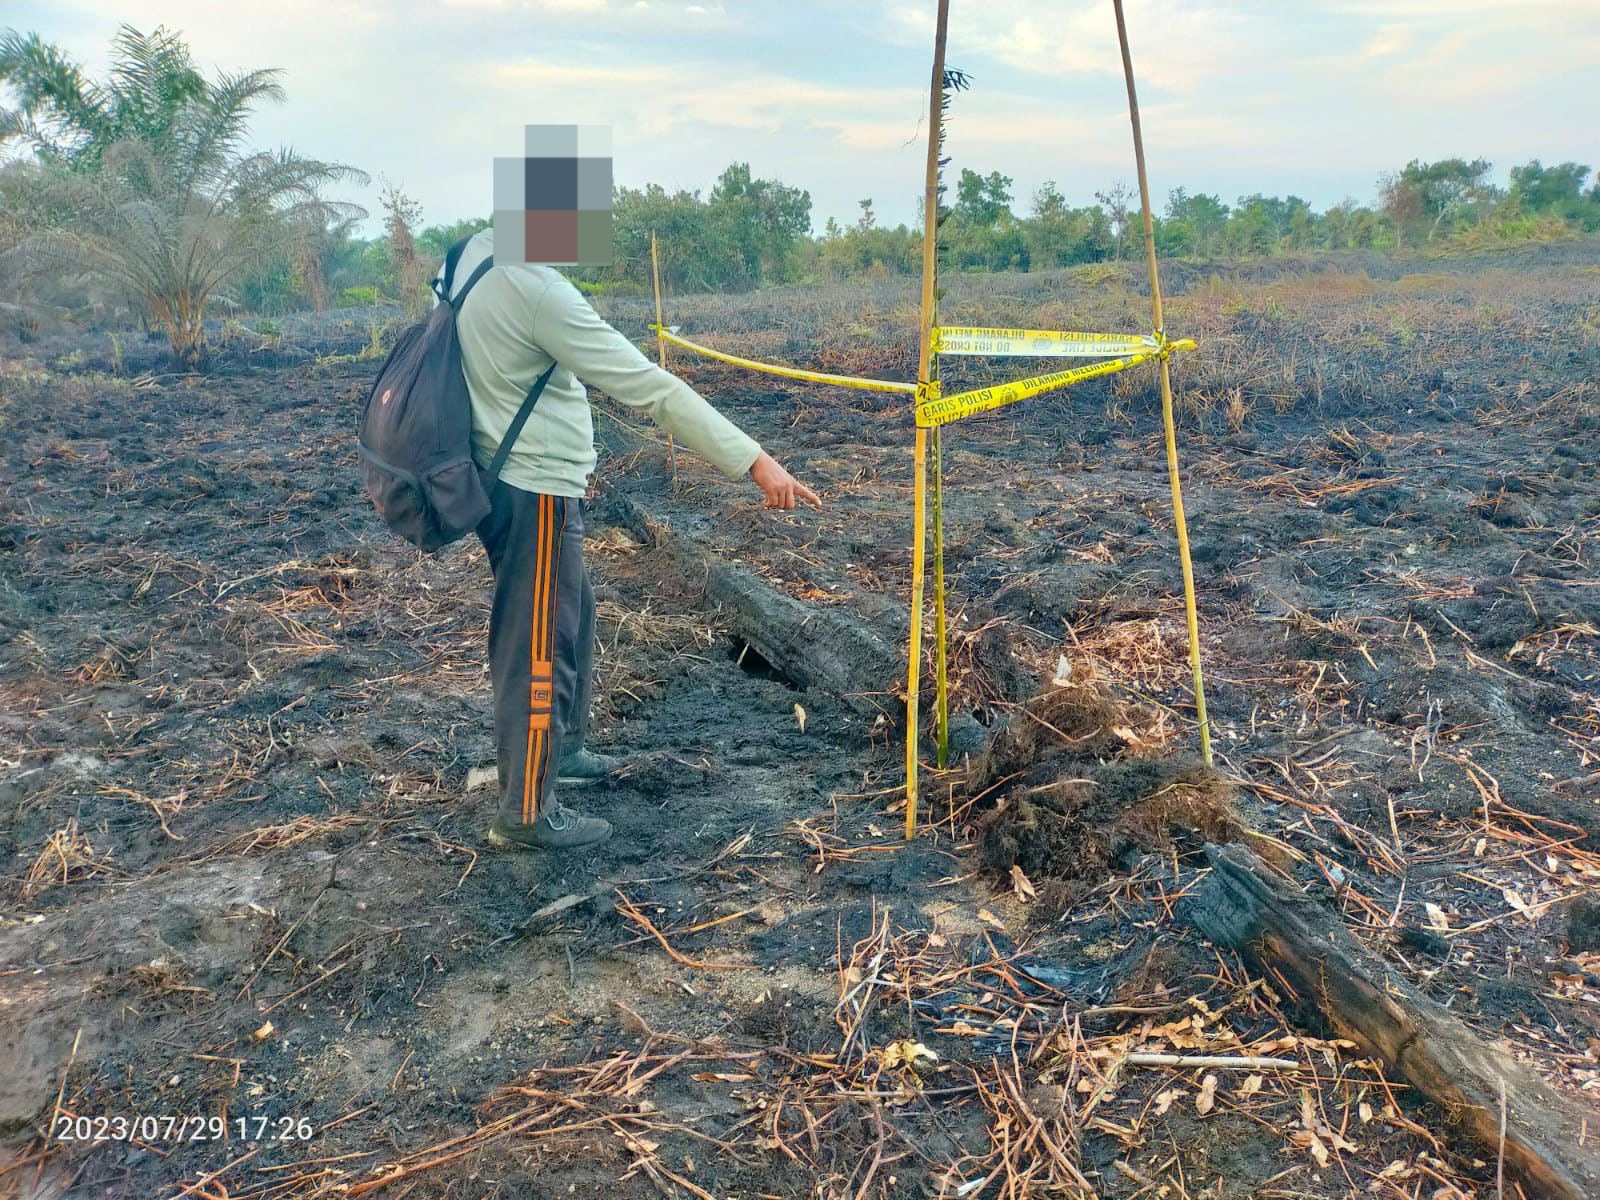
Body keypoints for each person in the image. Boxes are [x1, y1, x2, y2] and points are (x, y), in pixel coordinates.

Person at [435, 229, 820, 852]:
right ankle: (525, 812)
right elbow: (650, 386)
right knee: (538, 645)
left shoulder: (474, 253)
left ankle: (564, 750)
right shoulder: (540, 293)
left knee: (573, 616)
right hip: (533, 487)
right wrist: (754, 460)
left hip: (501, 471)